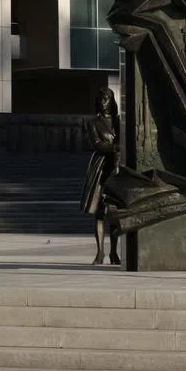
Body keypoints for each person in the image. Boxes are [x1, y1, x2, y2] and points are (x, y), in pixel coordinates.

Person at [81, 87, 120, 265]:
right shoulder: (92, 122)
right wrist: (114, 148)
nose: (104, 102)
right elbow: (97, 144)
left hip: (117, 168)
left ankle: (114, 253)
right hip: (101, 168)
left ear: (112, 101)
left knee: (115, 212)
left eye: (107, 99)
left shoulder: (119, 121)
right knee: (99, 213)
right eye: (101, 99)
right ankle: (100, 253)